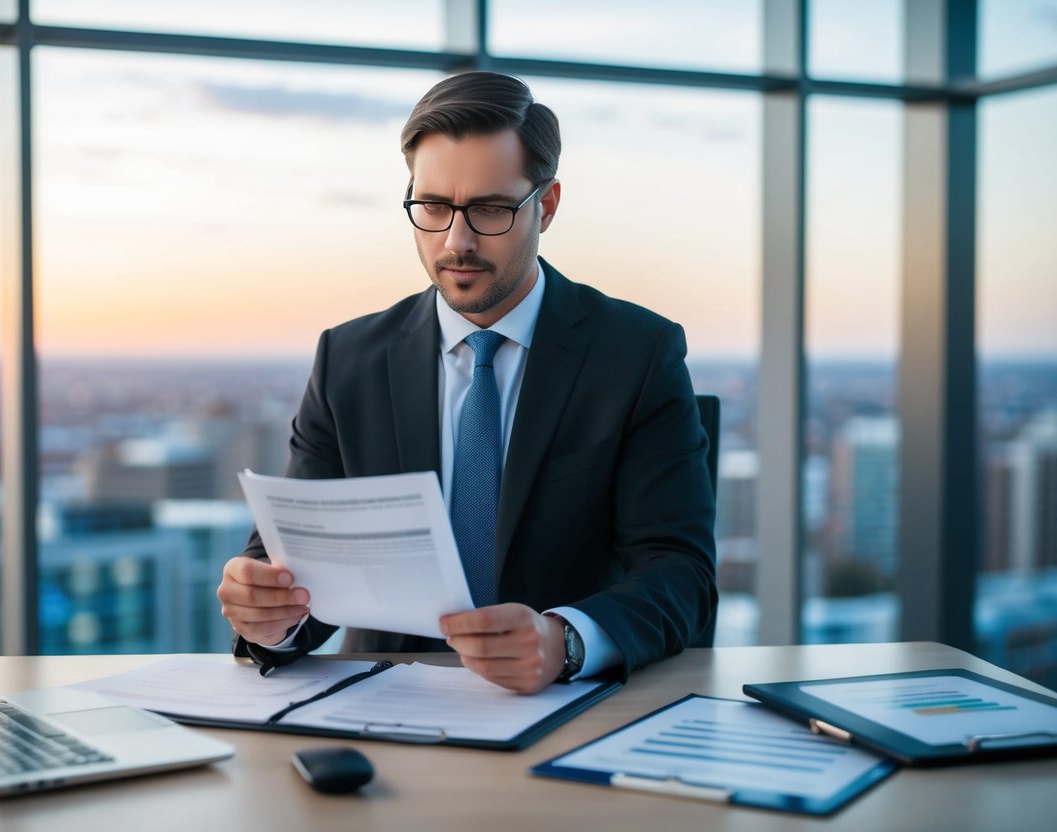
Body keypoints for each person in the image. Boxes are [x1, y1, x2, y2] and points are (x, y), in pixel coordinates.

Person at [218, 71, 716, 695]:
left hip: (567, 709)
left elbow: (680, 571)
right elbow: (292, 567)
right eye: (433, 207)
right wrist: (270, 617)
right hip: (384, 707)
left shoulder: (636, 353)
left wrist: (567, 640)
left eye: (489, 209)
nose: (457, 242)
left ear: (548, 204)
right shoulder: (348, 358)